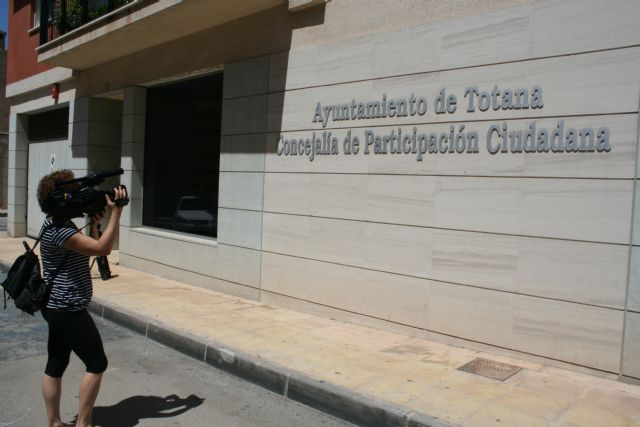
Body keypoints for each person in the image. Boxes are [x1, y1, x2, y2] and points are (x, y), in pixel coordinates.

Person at [37, 170, 128, 427]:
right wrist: (116, 213)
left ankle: (54, 423)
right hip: (68, 308)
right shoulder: (61, 231)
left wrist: (96, 225)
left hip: (55, 305)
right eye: (73, 195)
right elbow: (103, 249)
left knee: (56, 363)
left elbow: (89, 249)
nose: (78, 199)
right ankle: (84, 424)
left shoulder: (55, 223)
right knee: (97, 363)